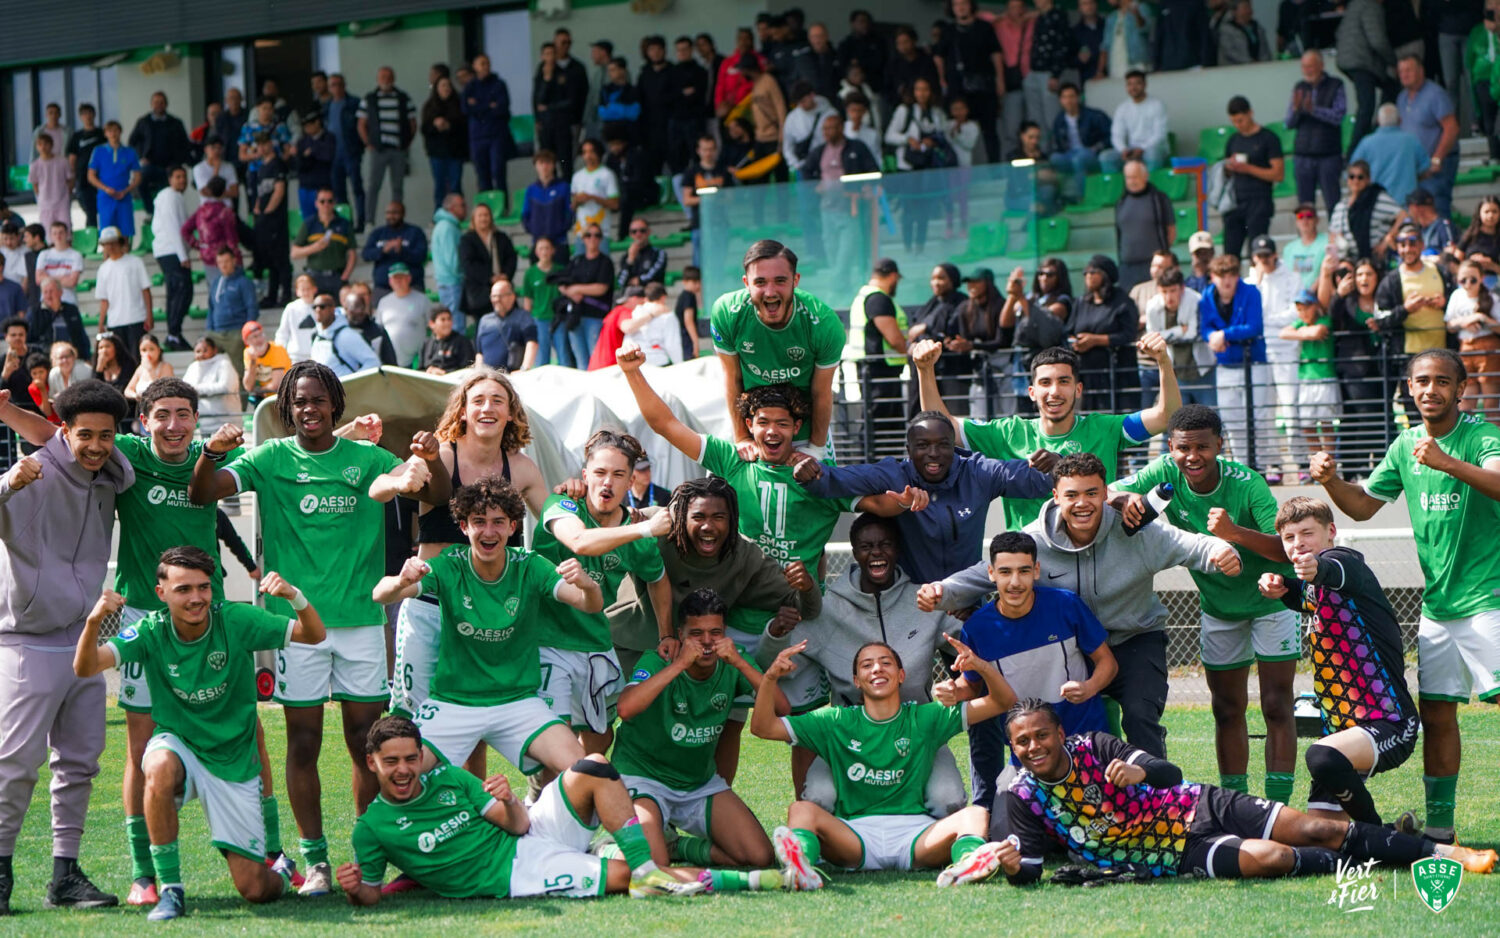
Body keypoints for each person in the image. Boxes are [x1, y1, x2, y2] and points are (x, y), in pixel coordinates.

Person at [188, 362, 447, 893]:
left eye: (318, 400)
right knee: (303, 744)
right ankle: (318, 863)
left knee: (364, 742)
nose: (309, 409)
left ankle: (368, 849)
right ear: (288, 408)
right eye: (299, 401)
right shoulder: (269, 457)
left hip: (359, 622)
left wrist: (430, 459)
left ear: (335, 405)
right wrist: (211, 452)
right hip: (297, 627)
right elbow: (203, 492)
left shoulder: (367, 457)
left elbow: (433, 494)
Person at [928, 453, 1239, 762]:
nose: (1082, 503)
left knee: (1139, 714)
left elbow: (1193, 545)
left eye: (1092, 493)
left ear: (1106, 494)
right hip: (1073, 648)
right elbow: (986, 573)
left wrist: (1222, 550)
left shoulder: (1138, 532)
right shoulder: (1035, 540)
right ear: (1056, 497)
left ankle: (1157, 797)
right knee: (1060, 725)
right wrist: (942, 591)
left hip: (1134, 639)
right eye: (1072, 495)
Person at [994, 699, 1495, 884]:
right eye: (1023, 741)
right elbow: (1033, 869)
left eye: (1042, 735)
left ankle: (1444, 852)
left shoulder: (1096, 747)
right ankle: (1382, 857)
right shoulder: (1021, 795)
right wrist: (1016, 867)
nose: (1034, 746)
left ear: (1059, 734)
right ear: (1013, 748)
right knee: (1273, 857)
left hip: (1193, 803)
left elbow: (1169, 772)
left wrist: (1139, 772)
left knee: (1316, 827)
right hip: (1168, 851)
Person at [1312, 349, 1500, 842]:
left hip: (1489, 602)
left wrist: (1447, 462)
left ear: (1461, 389)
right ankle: (1440, 830)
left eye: (1442, 381)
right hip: (1437, 609)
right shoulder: (1405, 445)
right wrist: (1332, 481)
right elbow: (1362, 508)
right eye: (1422, 381)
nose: (1430, 389)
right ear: (1410, 389)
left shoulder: (1482, 437)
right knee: (1438, 716)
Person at [73, 553, 323, 920]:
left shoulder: (235, 620)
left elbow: (314, 635)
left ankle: (280, 874)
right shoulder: (151, 630)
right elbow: (86, 667)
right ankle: (170, 889)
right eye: (183, 589)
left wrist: (293, 596)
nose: (195, 598)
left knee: (255, 889)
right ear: (161, 593)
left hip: (233, 763)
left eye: (203, 587)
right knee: (155, 764)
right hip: (180, 747)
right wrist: (95, 620)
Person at [1115, 404, 1299, 804]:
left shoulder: (1248, 483)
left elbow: (1285, 550)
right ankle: (1237, 804)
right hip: (1218, 609)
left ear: (1219, 444)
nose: (1192, 456)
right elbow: (1110, 491)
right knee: (1227, 709)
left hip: (1272, 603)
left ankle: (1278, 807)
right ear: (1170, 447)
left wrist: (1234, 532)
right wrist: (1128, 497)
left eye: (1202, 447)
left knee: (1276, 706)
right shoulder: (1164, 471)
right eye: (1183, 448)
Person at [371, 476, 602, 785]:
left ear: (513, 526)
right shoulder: (449, 566)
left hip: (518, 701)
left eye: (498, 522)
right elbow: (380, 594)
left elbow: (589, 605)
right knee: (402, 774)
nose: (489, 531)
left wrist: (587, 585)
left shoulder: (530, 566)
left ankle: (557, 830)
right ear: (464, 526)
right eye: (478, 522)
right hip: (454, 702)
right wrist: (401, 581)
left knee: (588, 771)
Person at [0, 380, 133, 915]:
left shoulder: (111, 475)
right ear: (63, 432)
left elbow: (113, 459)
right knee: (14, 764)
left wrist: (12, 413)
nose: (96, 445)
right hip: (26, 639)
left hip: (82, 640)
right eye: (84, 435)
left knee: (80, 763)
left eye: (106, 435)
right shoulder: (30, 475)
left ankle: (65, 876)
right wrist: (9, 480)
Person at [339, 716, 718, 902]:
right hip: (516, 874)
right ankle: (762, 880)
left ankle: (642, 862)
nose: (403, 770)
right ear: (371, 762)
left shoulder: (451, 777)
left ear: (422, 755)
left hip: (529, 833)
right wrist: (356, 890)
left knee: (594, 764)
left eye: (410, 758)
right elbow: (371, 893)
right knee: (628, 879)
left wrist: (508, 801)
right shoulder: (371, 829)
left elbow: (517, 826)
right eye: (391, 762)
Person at [753, 639, 1011, 887]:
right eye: (867, 665)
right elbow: (763, 728)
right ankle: (800, 869)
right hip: (854, 837)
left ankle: (967, 864)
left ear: (901, 675)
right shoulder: (834, 720)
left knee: (976, 814)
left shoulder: (926, 717)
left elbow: (1003, 701)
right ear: (856, 681)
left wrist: (981, 667)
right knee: (801, 810)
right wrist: (770, 678)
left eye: (885, 663)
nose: (877, 668)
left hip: (917, 836)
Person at [757, 513, 965, 815]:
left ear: (898, 549)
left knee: (949, 801)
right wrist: (775, 632)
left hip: (917, 729)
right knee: (817, 799)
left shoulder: (923, 601)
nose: (876, 552)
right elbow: (768, 660)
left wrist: (973, 627)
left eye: (885, 544)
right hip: (849, 734)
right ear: (855, 553)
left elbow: (968, 639)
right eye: (867, 546)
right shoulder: (827, 609)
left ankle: (925, 843)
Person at [1257, 497, 1418, 823]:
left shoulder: (1344, 561)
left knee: (1321, 755)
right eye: (1289, 538)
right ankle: (1399, 836)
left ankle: (1378, 835)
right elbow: (1302, 595)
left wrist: (1317, 569)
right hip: (1344, 731)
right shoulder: (1312, 586)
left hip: (1390, 724)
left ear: (1331, 531)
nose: (1298, 543)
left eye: (1307, 533)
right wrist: (1278, 584)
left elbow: (1334, 572)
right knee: (1323, 833)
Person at [528, 431, 674, 779]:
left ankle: (567, 807)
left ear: (631, 480)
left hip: (595, 645)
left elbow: (658, 579)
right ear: (584, 475)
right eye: (599, 473)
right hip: (546, 642)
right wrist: (644, 530)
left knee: (599, 737)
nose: (607, 482)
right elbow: (579, 541)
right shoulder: (562, 505)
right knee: (556, 740)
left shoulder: (634, 530)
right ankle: (540, 806)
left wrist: (667, 633)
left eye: (618, 475)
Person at [615, 588, 782, 871]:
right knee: (653, 864)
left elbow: (782, 707)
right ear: (680, 634)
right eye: (696, 633)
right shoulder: (659, 659)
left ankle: (678, 845)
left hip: (698, 784)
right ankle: (610, 848)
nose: (706, 642)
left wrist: (740, 662)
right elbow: (626, 709)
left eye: (715, 633)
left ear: (725, 633)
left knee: (759, 857)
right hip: (644, 778)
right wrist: (680, 665)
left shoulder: (733, 661)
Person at [710, 241, 845, 459]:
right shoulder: (726, 312)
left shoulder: (824, 324)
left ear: (796, 281)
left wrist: (816, 449)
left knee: (819, 489)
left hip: (802, 427)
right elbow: (732, 378)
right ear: (746, 283)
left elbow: (822, 393)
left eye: (780, 281)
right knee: (719, 491)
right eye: (760, 282)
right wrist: (742, 438)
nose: (770, 292)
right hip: (750, 424)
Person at [933, 0, 1004, 163]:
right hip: (958, 89)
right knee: (958, 129)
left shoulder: (984, 27)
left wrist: (1000, 80)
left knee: (990, 131)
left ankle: (995, 170)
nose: (961, 7)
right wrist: (942, 79)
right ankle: (961, 171)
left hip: (984, 87)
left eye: (964, 3)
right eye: (956, 4)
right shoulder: (948, 31)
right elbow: (938, 56)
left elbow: (996, 54)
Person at [1376, 222, 1454, 363]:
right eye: (1402, 244)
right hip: (1408, 355)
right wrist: (1406, 309)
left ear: (1422, 245)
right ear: (1397, 247)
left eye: (1412, 243)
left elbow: (1458, 301)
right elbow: (1380, 318)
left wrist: (1444, 303)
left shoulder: (1440, 271)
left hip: (1443, 351)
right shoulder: (1391, 281)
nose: (1408, 249)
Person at [1278, 289, 1340, 468]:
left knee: (1326, 424)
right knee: (1307, 425)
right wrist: (1304, 332)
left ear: (1315, 307)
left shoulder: (1325, 320)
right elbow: (1283, 333)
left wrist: (1303, 332)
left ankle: (1328, 464)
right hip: (1305, 379)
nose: (1302, 313)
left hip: (1324, 377)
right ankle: (1316, 463)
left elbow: (1318, 332)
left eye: (1306, 308)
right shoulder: (1300, 323)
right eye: (1299, 309)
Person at [1220, 96, 1284, 263]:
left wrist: (1248, 168)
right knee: (1230, 254)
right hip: (1235, 202)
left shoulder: (1268, 138)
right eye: (1234, 121)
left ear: (1250, 113)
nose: (1238, 124)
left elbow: (1278, 174)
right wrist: (1229, 168)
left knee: (1257, 252)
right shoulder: (1233, 140)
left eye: (1240, 120)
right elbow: (1225, 171)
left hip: (1259, 201)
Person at [1395, 55, 1459, 218]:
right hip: (1415, 169)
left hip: (1438, 165)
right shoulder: (1401, 98)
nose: (1404, 75)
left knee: (1438, 208)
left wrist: (1437, 159)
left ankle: (1447, 242)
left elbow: (1451, 128)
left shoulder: (1435, 94)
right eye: (1401, 71)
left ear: (1421, 71)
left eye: (1408, 70)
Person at [1285, 51, 1347, 217]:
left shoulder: (1336, 84)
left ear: (1321, 65)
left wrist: (1314, 110)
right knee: (1304, 206)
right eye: (1304, 66)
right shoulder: (1299, 87)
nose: (1307, 70)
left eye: (1311, 66)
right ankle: (1306, 239)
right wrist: (1297, 110)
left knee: (1333, 203)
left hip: (1329, 155)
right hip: (1303, 155)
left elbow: (1338, 116)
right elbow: (1288, 123)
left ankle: (1335, 238)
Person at [1335, 0, 1399, 155]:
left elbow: (1338, 33)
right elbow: (1377, 40)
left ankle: (1369, 138)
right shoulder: (1371, 6)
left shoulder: (1355, 4)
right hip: (1362, 61)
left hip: (1348, 59)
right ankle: (1355, 151)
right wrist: (1394, 61)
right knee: (1368, 105)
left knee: (1370, 101)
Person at [358, 67, 418, 226]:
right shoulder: (369, 98)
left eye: (388, 76)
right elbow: (361, 124)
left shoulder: (403, 98)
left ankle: (397, 219)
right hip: (378, 150)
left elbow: (413, 124)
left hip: (398, 149)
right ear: (378, 79)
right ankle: (369, 220)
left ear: (394, 78)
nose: (385, 79)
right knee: (373, 186)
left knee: (397, 186)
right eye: (382, 77)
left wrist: (407, 144)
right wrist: (368, 143)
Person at [556, 222, 616, 368]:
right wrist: (571, 293)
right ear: (583, 239)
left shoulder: (605, 262)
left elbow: (601, 288)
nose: (592, 239)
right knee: (580, 359)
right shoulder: (576, 260)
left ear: (601, 239)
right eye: (588, 235)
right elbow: (561, 282)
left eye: (597, 235)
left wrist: (576, 289)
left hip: (595, 316)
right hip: (575, 314)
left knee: (596, 359)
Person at [1446, 260, 1500, 417]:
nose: (1468, 284)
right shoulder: (1457, 295)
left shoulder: (1492, 297)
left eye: (1473, 279)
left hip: (1488, 348)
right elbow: (1449, 324)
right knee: (1465, 401)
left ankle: (1494, 439)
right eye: (1463, 280)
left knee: (1491, 402)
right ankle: (1466, 439)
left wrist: (1482, 318)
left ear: (1481, 278)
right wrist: (1465, 321)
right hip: (1465, 348)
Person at [1114, 162, 1175, 292]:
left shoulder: (1159, 199)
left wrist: (1163, 258)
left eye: (1135, 177)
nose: (1132, 181)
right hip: (1128, 268)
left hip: (1153, 266)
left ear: (1145, 176)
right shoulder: (1121, 202)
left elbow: (1171, 230)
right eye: (1128, 177)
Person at [463, 54, 515, 202]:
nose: (485, 66)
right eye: (481, 64)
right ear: (474, 66)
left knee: (498, 172)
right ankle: (487, 208)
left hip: (496, 135)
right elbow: (466, 109)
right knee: (482, 174)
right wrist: (489, 105)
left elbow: (502, 108)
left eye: (487, 63)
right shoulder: (470, 87)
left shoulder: (498, 84)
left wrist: (478, 105)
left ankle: (502, 207)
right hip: (477, 137)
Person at [128, 92, 191, 213]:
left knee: (169, 193)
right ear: (152, 104)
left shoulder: (176, 123)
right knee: (140, 180)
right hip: (150, 164)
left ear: (166, 104)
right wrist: (141, 157)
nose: (159, 105)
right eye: (156, 102)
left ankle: (166, 214)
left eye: (161, 102)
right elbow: (132, 142)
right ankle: (151, 212)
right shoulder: (143, 122)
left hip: (170, 166)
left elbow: (184, 144)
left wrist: (178, 162)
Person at [458, 203, 518, 330]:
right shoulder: (467, 240)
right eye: (480, 215)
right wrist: (490, 278)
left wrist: (505, 275)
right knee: (484, 328)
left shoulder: (501, 238)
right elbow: (468, 265)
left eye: (486, 215)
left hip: (502, 289)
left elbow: (511, 258)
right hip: (479, 293)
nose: (483, 218)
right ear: (474, 219)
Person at [249, 135, 292, 309]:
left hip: (276, 220)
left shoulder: (277, 164)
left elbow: (279, 191)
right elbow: (261, 194)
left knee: (281, 259)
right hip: (265, 221)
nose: (261, 148)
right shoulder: (261, 168)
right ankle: (272, 295)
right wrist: (258, 210)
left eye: (264, 144)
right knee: (270, 260)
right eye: (258, 144)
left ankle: (286, 294)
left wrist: (267, 212)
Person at [151, 166, 192, 346]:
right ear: (170, 179)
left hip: (171, 251)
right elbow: (173, 227)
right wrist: (183, 256)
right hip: (171, 252)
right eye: (178, 176)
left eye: (184, 177)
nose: (182, 180)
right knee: (181, 291)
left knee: (178, 292)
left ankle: (174, 333)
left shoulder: (175, 196)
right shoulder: (168, 196)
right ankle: (173, 333)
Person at [95, 226, 153, 351]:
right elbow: (104, 300)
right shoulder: (103, 269)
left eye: (113, 243)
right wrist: (101, 323)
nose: (110, 247)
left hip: (136, 318)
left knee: (137, 357)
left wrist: (149, 315)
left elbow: (146, 290)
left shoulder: (136, 262)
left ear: (120, 242)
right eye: (107, 244)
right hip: (114, 322)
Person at [291, 188, 355, 299]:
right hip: (314, 277)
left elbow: (352, 253)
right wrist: (314, 247)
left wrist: (345, 277)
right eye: (322, 201)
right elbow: (294, 253)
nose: (326, 204)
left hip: (337, 276)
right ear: (316, 203)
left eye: (330, 201)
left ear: (334, 203)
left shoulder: (344, 224)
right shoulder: (309, 223)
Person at [1049, 83, 1112, 197]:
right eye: (1065, 97)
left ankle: (1080, 196)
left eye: (1071, 96)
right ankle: (1059, 196)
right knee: (1055, 159)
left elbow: (1109, 136)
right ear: (1060, 100)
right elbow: (1057, 143)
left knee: (1079, 159)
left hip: (1090, 152)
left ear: (1078, 97)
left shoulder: (1094, 115)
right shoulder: (1059, 120)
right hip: (1069, 154)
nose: (1069, 101)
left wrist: (1096, 148)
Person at [360, 201, 427, 300]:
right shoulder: (378, 233)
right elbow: (365, 254)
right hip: (383, 288)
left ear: (403, 214)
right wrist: (383, 250)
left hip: (412, 287)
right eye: (388, 213)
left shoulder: (415, 232)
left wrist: (402, 250)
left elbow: (421, 256)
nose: (391, 216)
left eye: (395, 213)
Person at [87, 121, 142, 241]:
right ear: (105, 133)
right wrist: (105, 189)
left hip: (124, 196)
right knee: (107, 234)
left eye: (116, 130)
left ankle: (125, 258)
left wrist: (126, 190)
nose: (113, 134)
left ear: (120, 132)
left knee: (125, 233)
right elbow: (91, 176)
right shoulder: (98, 151)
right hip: (105, 197)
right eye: (110, 131)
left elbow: (137, 176)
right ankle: (107, 258)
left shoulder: (130, 152)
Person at [326, 74, 367, 231]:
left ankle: (361, 222)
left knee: (357, 188)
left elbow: (363, 125)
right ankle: (346, 223)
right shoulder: (327, 106)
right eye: (333, 85)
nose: (336, 88)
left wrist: (363, 145)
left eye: (338, 84)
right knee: (339, 191)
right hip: (334, 155)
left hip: (351, 152)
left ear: (344, 85)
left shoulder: (354, 103)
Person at [421, 76, 467, 211]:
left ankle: (458, 212)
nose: (446, 88)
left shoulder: (458, 105)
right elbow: (424, 129)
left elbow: (464, 127)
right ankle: (439, 213)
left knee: (455, 185)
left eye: (448, 85)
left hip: (455, 152)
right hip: (437, 153)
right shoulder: (429, 107)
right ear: (436, 89)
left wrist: (449, 126)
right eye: (443, 86)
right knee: (440, 185)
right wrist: (435, 126)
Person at [181, 337, 241, 436]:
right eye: (198, 351)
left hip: (225, 422)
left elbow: (225, 387)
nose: (201, 354)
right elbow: (185, 388)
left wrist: (197, 389)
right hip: (204, 423)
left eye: (205, 350)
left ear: (215, 350)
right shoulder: (193, 367)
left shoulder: (224, 364)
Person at [475, 281, 538, 373]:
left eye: (500, 296)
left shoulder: (523, 317)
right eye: (493, 296)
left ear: (512, 296)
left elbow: (532, 343)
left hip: (513, 376)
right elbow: (479, 353)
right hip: (489, 376)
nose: (496, 299)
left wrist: (524, 370)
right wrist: (478, 372)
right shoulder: (485, 320)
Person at [374, 265, 428, 368]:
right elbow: (378, 330)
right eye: (395, 278)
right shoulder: (383, 302)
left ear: (409, 278)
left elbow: (432, 327)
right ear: (390, 281)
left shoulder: (423, 300)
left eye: (401, 277)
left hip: (416, 362)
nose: (398, 281)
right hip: (390, 362)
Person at [522, 151, 572, 261]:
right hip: (538, 244)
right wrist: (536, 233)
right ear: (536, 166)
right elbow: (525, 216)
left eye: (548, 162)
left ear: (553, 165)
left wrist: (558, 231)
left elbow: (570, 214)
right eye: (541, 163)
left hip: (559, 243)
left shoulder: (564, 187)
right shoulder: (531, 190)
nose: (544, 166)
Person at [67, 104, 106, 230]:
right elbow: (72, 158)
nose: (87, 116)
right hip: (83, 180)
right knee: (90, 212)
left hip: (101, 179)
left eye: (90, 113)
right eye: (84, 113)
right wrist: (73, 178)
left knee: (104, 211)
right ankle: (92, 241)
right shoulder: (77, 136)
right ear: (81, 117)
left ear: (94, 114)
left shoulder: (102, 134)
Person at [27, 133, 71, 233]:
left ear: (51, 145)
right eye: (40, 144)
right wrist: (41, 197)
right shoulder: (35, 165)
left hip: (62, 201)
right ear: (37, 147)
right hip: (45, 203)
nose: (43, 147)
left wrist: (67, 193)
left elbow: (70, 179)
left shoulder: (62, 161)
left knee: (65, 228)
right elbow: (35, 184)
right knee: (47, 231)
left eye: (46, 144)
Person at [242, 321, 291, 406]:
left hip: (284, 397)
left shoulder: (277, 349)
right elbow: (248, 386)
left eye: (261, 334)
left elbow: (276, 384)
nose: (259, 339)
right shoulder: (248, 353)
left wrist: (259, 390)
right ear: (247, 341)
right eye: (255, 337)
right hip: (266, 400)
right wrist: (252, 362)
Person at [36, 223, 83, 309]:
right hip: (46, 302)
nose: (58, 236)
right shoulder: (44, 254)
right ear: (50, 236)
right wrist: (62, 278)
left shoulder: (76, 255)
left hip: (69, 300)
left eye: (61, 232)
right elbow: (38, 279)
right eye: (55, 233)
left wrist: (48, 278)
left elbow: (72, 282)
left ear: (67, 234)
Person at [417, 307, 475, 375]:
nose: (447, 323)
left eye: (449, 319)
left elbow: (467, 370)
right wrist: (429, 371)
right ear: (431, 324)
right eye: (443, 320)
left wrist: (443, 373)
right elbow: (420, 370)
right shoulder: (426, 344)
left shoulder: (462, 342)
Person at [617, 218, 666, 290]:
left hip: (651, 296)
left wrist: (638, 280)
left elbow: (653, 277)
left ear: (648, 232)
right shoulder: (626, 257)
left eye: (642, 231)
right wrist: (630, 260)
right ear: (630, 234)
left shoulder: (658, 253)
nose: (638, 234)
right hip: (631, 297)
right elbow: (621, 281)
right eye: (634, 231)